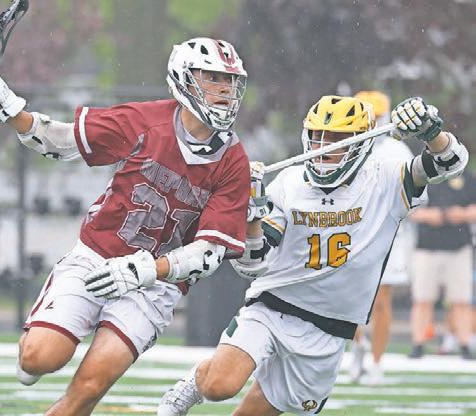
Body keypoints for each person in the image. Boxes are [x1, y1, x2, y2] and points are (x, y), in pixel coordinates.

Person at [0, 37, 251, 416]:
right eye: (213, 78)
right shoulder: (145, 121)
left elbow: (209, 254)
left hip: (155, 285)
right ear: (184, 77)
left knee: (88, 388)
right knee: (39, 357)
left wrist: (149, 270)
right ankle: (34, 354)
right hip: (97, 256)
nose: (225, 90)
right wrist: (8, 109)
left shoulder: (234, 163)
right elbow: (62, 141)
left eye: (230, 81)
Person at [156, 95, 469, 416]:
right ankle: (190, 386)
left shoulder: (386, 178)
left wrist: (431, 132)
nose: (324, 146)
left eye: (336, 138)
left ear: (361, 143)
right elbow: (252, 265)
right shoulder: (289, 183)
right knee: (218, 386)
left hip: (331, 326)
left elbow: (450, 163)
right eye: (318, 136)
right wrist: (251, 219)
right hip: (274, 305)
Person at [348, 91, 416, 384]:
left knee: (381, 301)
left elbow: (413, 196)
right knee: (350, 298)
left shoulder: (397, 150)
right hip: (353, 231)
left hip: (388, 233)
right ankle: (357, 348)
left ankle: (376, 363)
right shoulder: (346, 146)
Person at [408, 169, 476, 360]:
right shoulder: (423, 176)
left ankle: (464, 344)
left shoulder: (467, 177)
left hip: (459, 247)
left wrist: (461, 214)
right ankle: (418, 344)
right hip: (427, 247)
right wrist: (430, 215)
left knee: (461, 300)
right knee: (422, 299)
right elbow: (408, 209)